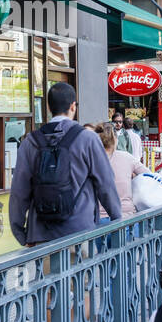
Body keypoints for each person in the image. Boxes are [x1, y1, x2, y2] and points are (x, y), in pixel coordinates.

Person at [10, 82, 122, 245]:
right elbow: (106, 184)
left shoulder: (30, 142)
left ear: (48, 107)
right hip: (80, 233)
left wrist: (20, 232)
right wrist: (117, 219)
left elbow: (19, 192)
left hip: (42, 236)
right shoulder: (87, 139)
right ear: (73, 107)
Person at [97, 122, 149, 221]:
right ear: (115, 140)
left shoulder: (90, 159)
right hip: (126, 216)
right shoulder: (127, 157)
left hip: (97, 220)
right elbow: (149, 176)